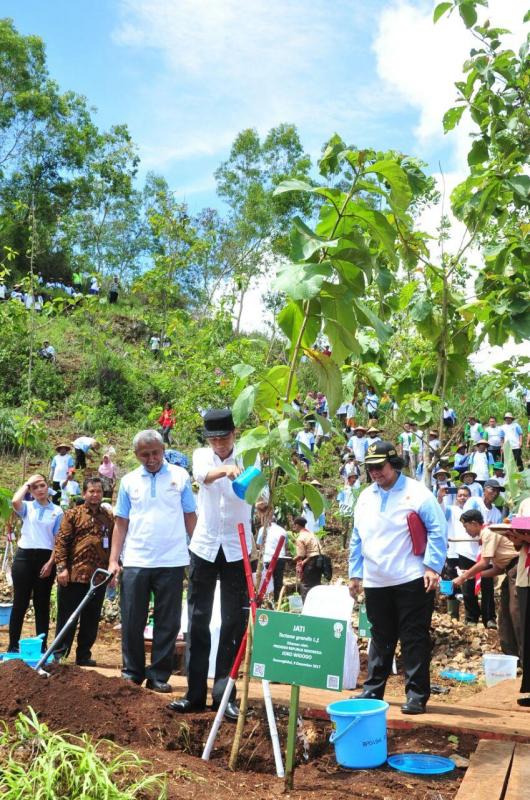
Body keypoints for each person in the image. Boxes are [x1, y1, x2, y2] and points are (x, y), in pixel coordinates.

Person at [349, 441, 447, 715]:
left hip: (411, 577)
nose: (375, 473)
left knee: (414, 637)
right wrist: (355, 573)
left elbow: (438, 529)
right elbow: (356, 537)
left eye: (380, 467)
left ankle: (416, 695)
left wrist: (432, 567)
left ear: (394, 464)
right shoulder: (366, 496)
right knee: (380, 637)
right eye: (370, 468)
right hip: (376, 580)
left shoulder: (417, 493)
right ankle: (372, 691)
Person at [169, 409, 250, 719]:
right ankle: (194, 694)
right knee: (198, 619)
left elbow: (262, 493)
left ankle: (224, 696)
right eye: (213, 438)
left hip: (236, 547)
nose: (218, 444)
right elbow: (202, 476)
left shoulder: (250, 456)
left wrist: (261, 498)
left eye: (224, 438)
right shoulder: (202, 454)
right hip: (204, 546)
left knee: (232, 622)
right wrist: (228, 470)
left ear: (235, 433)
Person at [109, 430, 196, 692]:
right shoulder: (128, 481)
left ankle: (159, 675)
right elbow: (121, 522)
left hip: (172, 560)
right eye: (145, 454)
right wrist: (114, 560)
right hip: (136, 559)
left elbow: (190, 516)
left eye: (155, 452)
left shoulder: (180, 477)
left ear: (163, 449)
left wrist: (199, 553)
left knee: (167, 622)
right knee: (132, 618)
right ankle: (132, 672)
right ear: (136, 455)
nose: (151, 458)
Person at [52, 477, 113, 665]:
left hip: (98, 576)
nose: (95, 495)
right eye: (91, 491)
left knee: (91, 617)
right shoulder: (72, 514)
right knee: (67, 616)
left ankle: (84, 655)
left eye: (99, 492)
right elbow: (61, 543)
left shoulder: (108, 517)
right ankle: (59, 654)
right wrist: (61, 569)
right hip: (73, 575)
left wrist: (113, 570)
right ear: (84, 493)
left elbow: (112, 545)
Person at [8, 475, 63, 652]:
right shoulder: (28, 507)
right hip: (24, 558)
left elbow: (58, 540)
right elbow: (15, 501)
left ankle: (42, 647)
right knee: (20, 602)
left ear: (48, 487)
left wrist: (51, 562)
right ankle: (13, 645)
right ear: (31, 491)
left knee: (42, 603)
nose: (39, 489)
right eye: (35, 487)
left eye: (42, 485)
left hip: (45, 559)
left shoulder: (57, 511)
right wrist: (27, 483)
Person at [454, 510, 520, 655]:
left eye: (466, 527)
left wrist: (463, 577)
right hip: (510, 569)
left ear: (474, 523)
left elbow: (484, 563)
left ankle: (520, 654)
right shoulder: (487, 534)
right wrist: (472, 575)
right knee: (505, 614)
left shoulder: (488, 533)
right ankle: (512, 653)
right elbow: (496, 569)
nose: (466, 531)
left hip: (516, 567)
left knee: (515, 613)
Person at [510, 498, 530, 706]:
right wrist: (516, 537)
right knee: (527, 634)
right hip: (526, 577)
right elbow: (518, 546)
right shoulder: (526, 503)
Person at [256, 503, 288, 605]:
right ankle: (278, 601)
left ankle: (266, 602)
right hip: (281, 558)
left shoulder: (263, 529)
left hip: (268, 558)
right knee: (278, 581)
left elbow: (258, 545)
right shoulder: (283, 531)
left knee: (267, 582)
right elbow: (285, 546)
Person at [293, 516, 323, 600]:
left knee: (306, 585)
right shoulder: (311, 534)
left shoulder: (300, 537)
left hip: (311, 563)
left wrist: (292, 560)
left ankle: (306, 604)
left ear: (297, 525)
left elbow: (301, 555)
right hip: (320, 561)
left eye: (294, 525)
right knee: (316, 584)